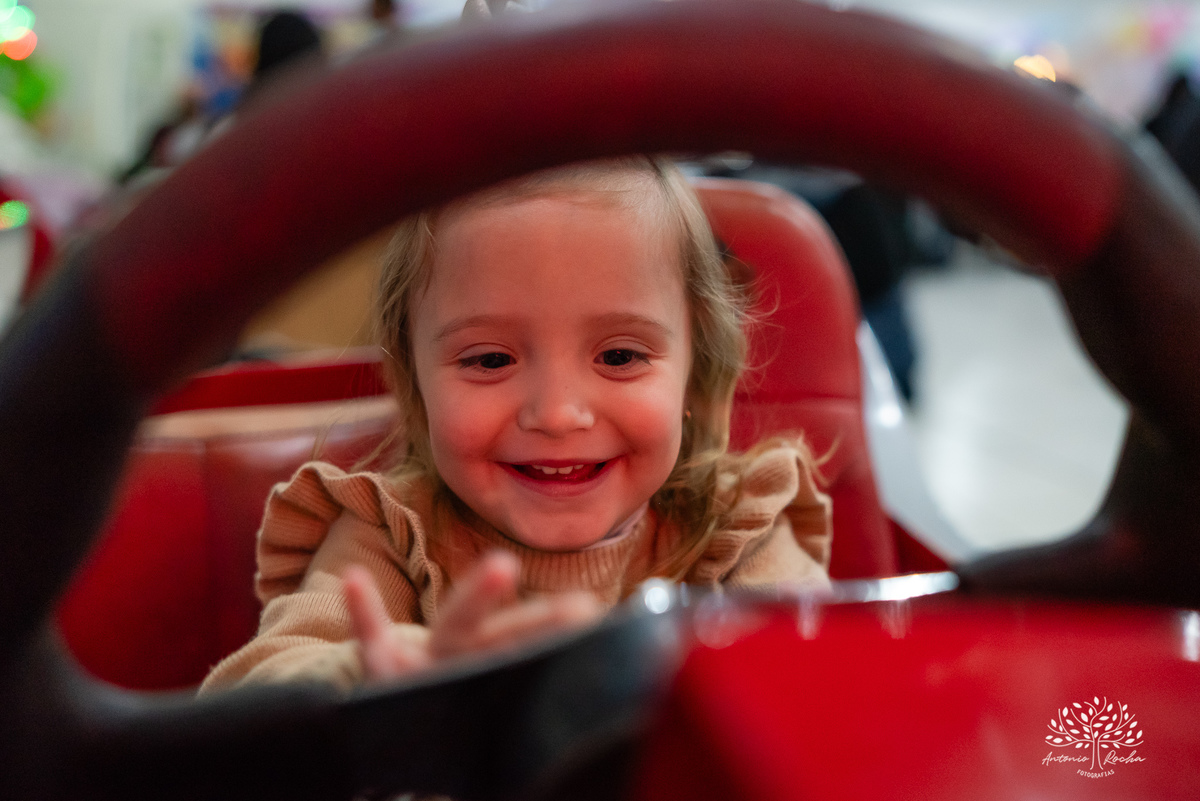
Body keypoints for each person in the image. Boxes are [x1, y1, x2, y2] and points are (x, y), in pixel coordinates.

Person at [200, 158, 833, 693]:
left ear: (693, 376)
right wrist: (378, 685)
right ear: (415, 382)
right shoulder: (389, 537)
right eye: (490, 360)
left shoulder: (740, 526)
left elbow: (828, 701)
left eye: (619, 356)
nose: (557, 414)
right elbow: (252, 707)